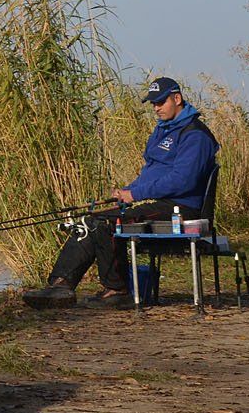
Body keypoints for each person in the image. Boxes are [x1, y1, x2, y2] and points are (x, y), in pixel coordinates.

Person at [23, 76, 219, 306]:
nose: (156, 108)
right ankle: (60, 285)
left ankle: (118, 290)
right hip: (160, 203)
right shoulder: (163, 130)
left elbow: (182, 180)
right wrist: (127, 191)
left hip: (182, 208)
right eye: (153, 103)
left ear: (177, 98)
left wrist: (135, 195)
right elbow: (152, 173)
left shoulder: (195, 135)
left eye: (160, 102)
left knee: (107, 224)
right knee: (91, 220)